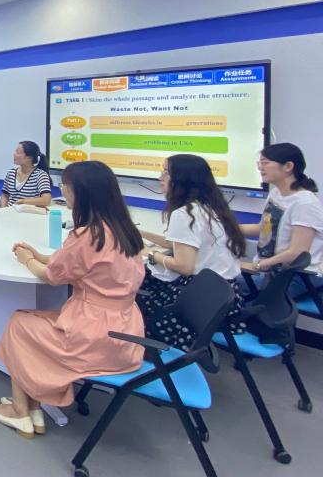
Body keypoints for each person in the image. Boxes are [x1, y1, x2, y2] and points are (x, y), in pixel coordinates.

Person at [0, 161, 145, 438]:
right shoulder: (123, 230)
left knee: (20, 324)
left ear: (80, 193)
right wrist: (38, 254)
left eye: (65, 186)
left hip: (94, 334)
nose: (63, 191)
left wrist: (27, 260)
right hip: (127, 332)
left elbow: (51, 275)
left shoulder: (87, 235)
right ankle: (33, 409)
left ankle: (20, 411)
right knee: (32, 322)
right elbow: (75, 262)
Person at [136, 155, 246, 346]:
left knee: (137, 288)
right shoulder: (209, 207)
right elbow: (178, 244)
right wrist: (139, 233)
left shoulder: (184, 214)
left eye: (166, 173)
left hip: (196, 298)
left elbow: (184, 266)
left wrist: (150, 254)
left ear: (182, 180)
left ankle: (140, 343)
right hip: (222, 296)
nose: (160, 177)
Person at [240, 143, 323, 276]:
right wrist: (224, 229)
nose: (260, 168)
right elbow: (263, 229)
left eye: (265, 163)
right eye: (260, 163)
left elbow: (296, 253)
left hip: (294, 276)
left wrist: (257, 265)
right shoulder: (275, 193)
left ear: (288, 166)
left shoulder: (305, 203)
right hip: (269, 270)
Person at [0, 141, 52, 208]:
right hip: (10, 211)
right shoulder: (11, 173)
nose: (14, 154)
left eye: (18, 152)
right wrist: (3, 209)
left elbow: (46, 200)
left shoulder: (41, 175)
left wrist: (23, 201)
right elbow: (4, 195)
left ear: (29, 158)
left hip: (28, 213)